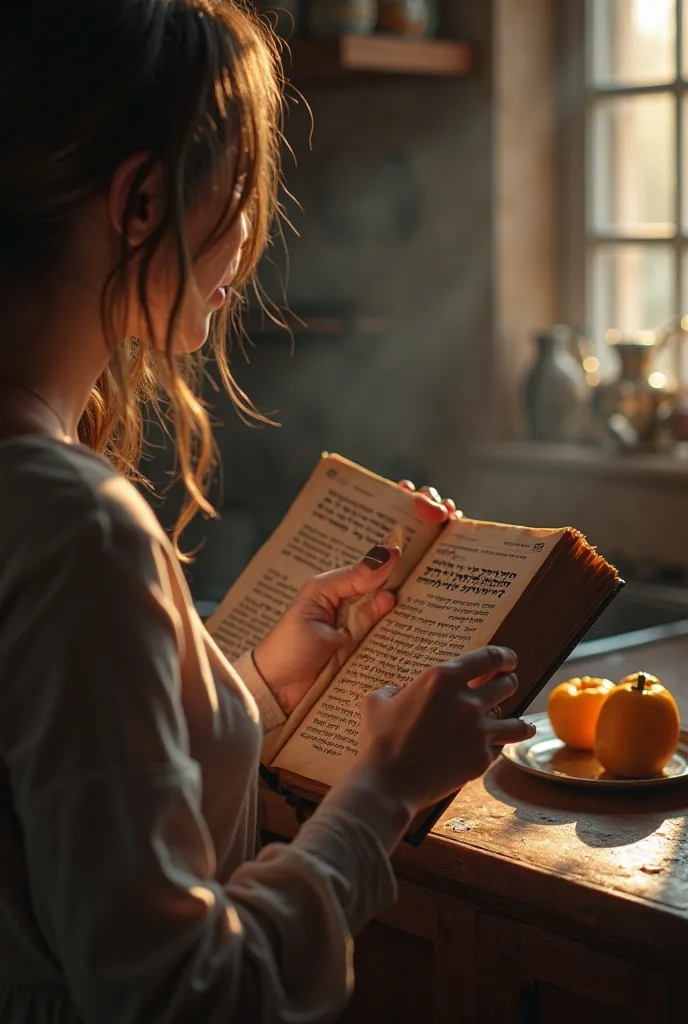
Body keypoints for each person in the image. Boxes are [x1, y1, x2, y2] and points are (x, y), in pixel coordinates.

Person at [0, 2, 536, 1021]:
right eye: (237, 191)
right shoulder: (78, 527)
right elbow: (181, 994)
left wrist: (253, 681)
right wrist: (380, 789)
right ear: (144, 201)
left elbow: (56, 798)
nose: (249, 238)